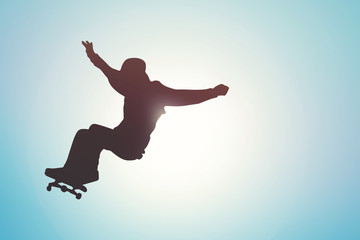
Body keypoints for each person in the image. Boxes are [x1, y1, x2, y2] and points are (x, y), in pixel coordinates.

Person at [45, 41, 229, 184]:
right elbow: (109, 72)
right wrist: (93, 56)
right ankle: (85, 172)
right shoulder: (131, 88)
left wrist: (213, 92)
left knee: (89, 134)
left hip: (130, 145)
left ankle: (84, 172)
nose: (123, 80)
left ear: (133, 74)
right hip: (124, 142)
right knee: (90, 132)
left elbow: (184, 96)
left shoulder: (154, 91)